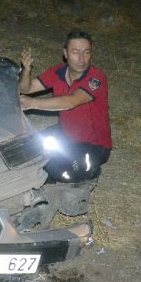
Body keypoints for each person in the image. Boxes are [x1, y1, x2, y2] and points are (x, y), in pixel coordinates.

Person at [18, 31, 112, 182]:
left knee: (62, 173)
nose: (82, 59)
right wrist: (26, 70)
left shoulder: (96, 78)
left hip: (94, 145)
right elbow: (26, 88)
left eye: (86, 52)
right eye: (75, 52)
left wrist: (32, 103)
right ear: (65, 53)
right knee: (28, 152)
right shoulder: (57, 72)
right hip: (66, 134)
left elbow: (70, 102)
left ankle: (91, 171)